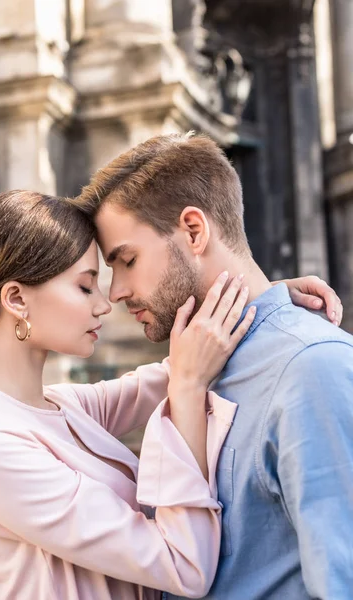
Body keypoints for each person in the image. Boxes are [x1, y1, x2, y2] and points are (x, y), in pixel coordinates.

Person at [76, 131, 353, 599]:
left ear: (194, 231)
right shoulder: (195, 362)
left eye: (127, 261)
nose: (116, 292)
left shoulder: (313, 369)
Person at [0, 189, 258, 600]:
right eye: (85, 287)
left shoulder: (61, 406)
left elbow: (185, 362)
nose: (105, 304)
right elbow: (184, 566)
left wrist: (263, 300)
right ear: (16, 299)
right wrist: (187, 391)